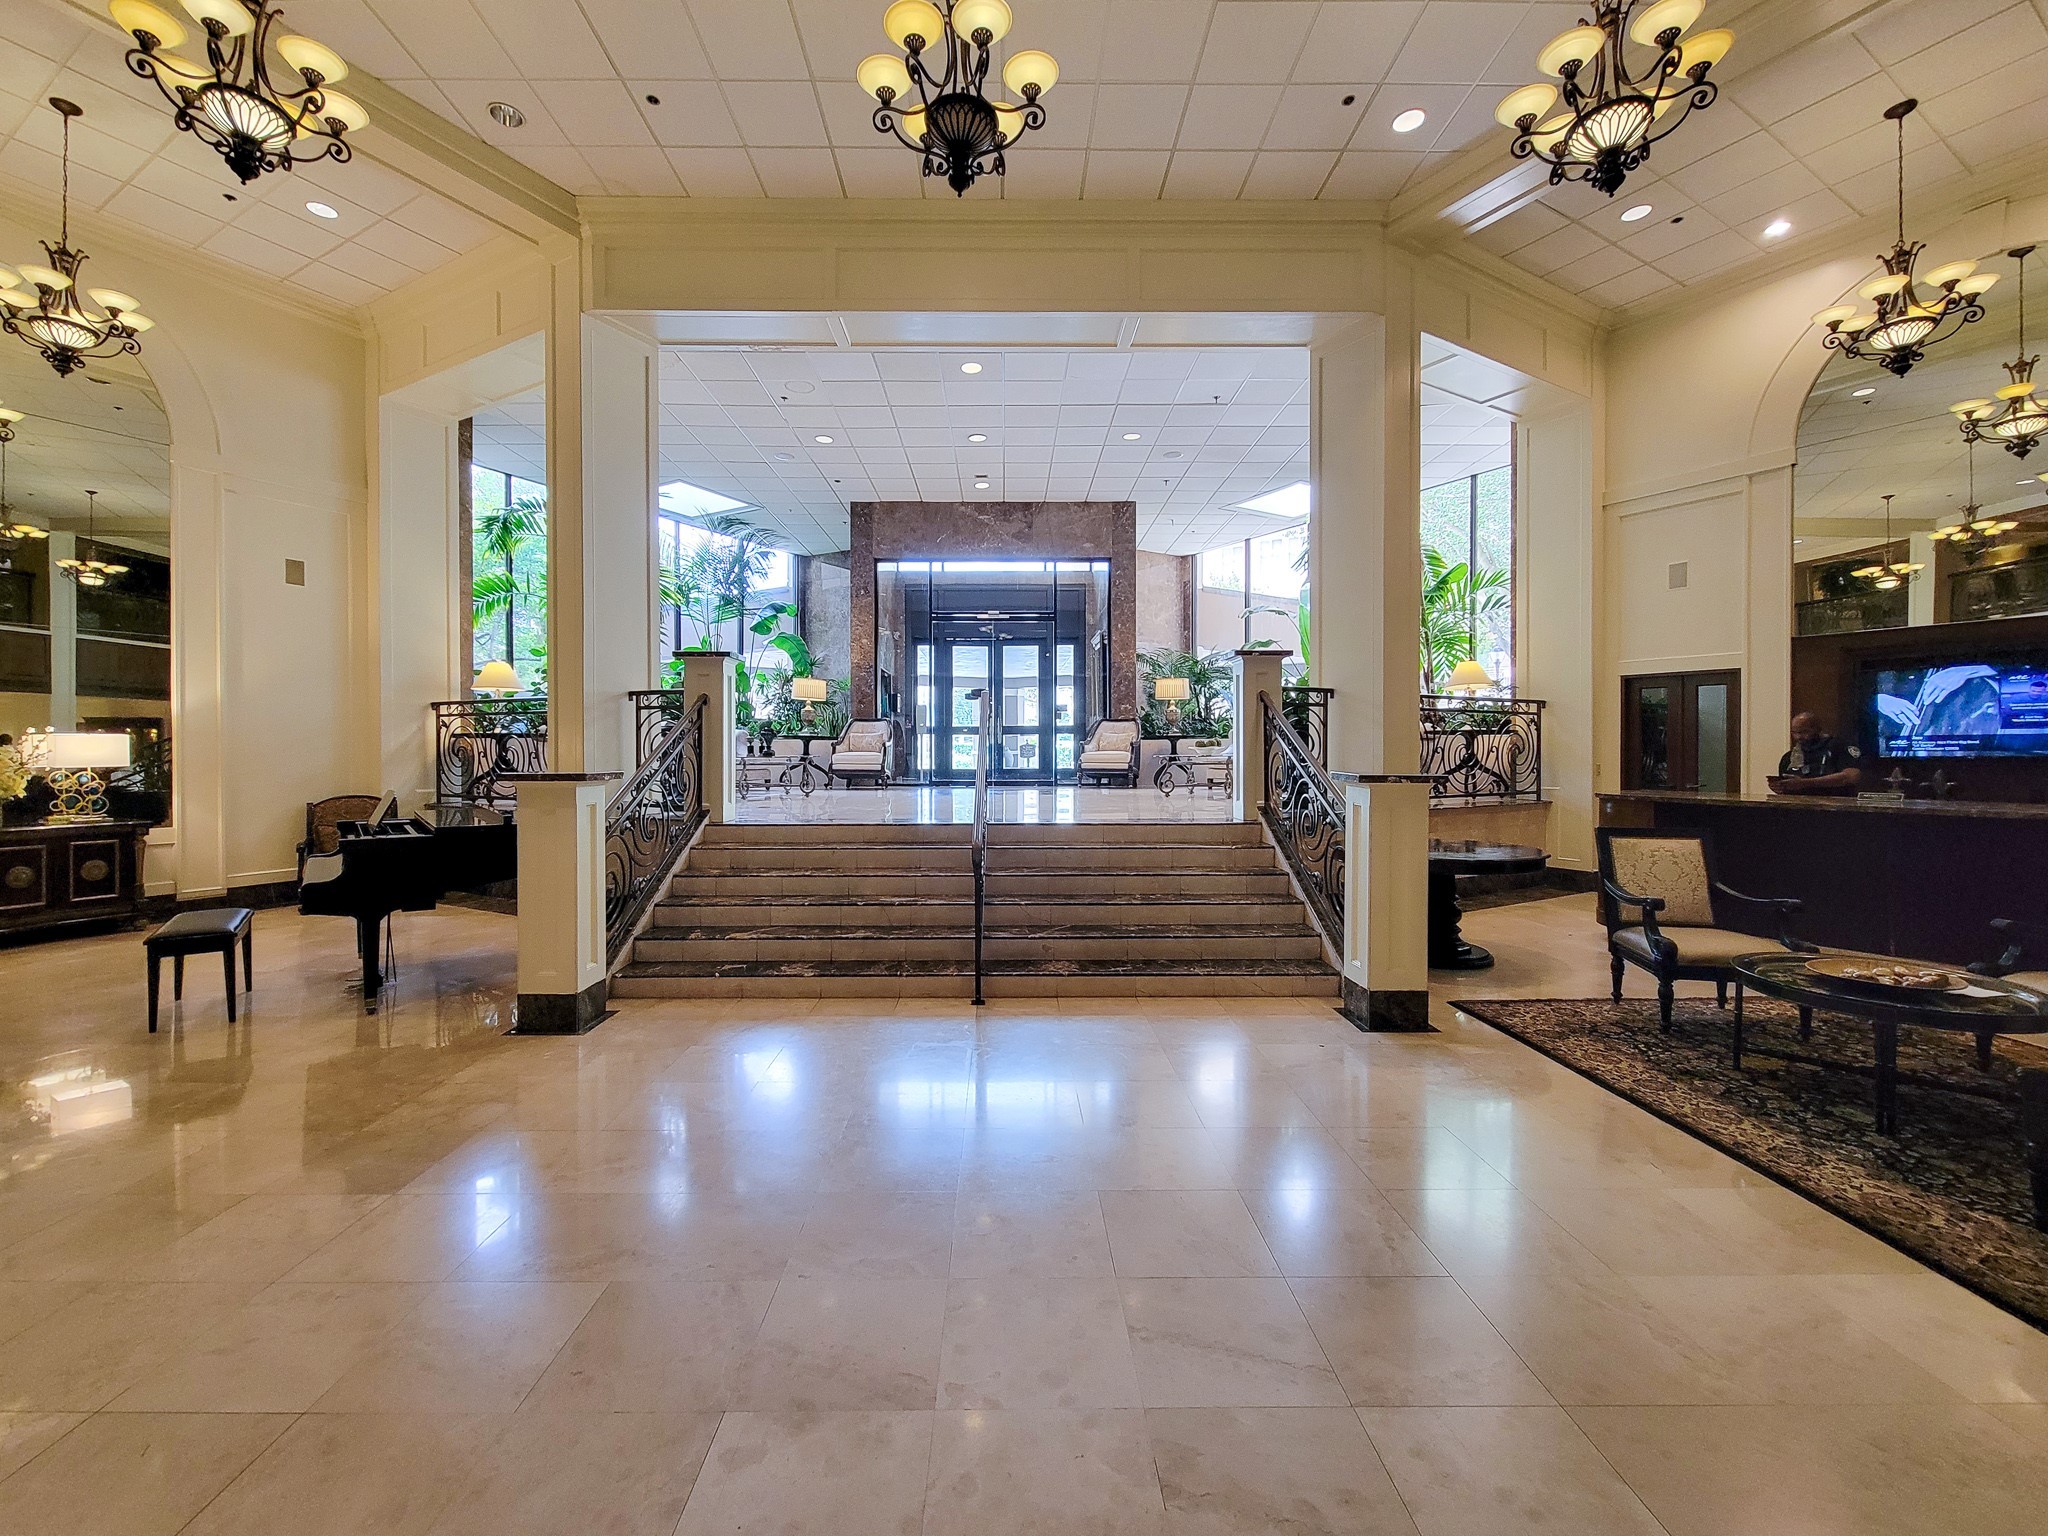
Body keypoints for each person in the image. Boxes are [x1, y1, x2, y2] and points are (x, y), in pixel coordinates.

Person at [1768, 711, 1863, 796]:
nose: (1798, 737)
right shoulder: (1789, 757)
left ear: (1817, 729)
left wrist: (1805, 783)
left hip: (1836, 808)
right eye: (1795, 732)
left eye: (1804, 732)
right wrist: (1780, 786)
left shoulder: (1837, 747)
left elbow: (1852, 776)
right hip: (1799, 809)